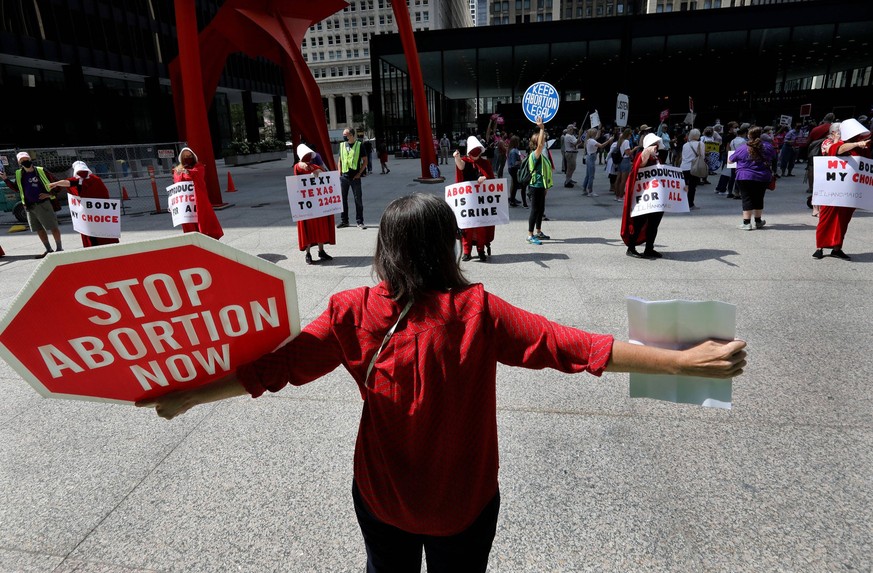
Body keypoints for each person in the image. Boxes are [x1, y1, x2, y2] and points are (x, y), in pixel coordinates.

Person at [138, 192, 747, 573]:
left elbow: (273, 371)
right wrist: (685, 360)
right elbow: (578, 348)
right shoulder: (480, 311)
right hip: (465, 504)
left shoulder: (349, 310)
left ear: (385, 248)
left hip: (381, 498)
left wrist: (187, 395)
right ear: (450, 247)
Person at [813, 118, 870, 260]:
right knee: (826, 218)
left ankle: (837, 248)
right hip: (832, 189)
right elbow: (839, 149)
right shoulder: (834, 145)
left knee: (843, 220)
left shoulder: (860, 148)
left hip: (849, 191)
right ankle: (819, 247)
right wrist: (856, 143)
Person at [0, 151, 63, 258]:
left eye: (26, 159)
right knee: (38, 228)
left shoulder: (41, 170)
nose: (25, 162)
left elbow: (57, 183)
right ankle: (48, 250)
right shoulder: (19, 173)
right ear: (19, 163)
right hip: (29, 206)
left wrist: (49, 194)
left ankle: (59, 248)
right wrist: (5, 179)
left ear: (30, 159)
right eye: (22, 160)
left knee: (53, 226)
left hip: (43, 204)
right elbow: (17, 188)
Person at [48, 160, 120, 247]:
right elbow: (68, 182)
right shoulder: (88, 180)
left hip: (94, 212)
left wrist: (56, 184)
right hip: (92, 213)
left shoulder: (92, 180)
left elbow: (103, 194)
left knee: (95, 231)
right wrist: (56, 183)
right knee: (95, 231)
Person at [621, 133, 666, 259]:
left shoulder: (657, 158)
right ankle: (631, 248)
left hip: (656, 196)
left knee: (654, 223)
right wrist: (647, 152)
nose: (656, 147)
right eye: (654, 145)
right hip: (643, 196)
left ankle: (649, 248)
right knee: (639, 223)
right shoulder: (642, 155)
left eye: (657, 145)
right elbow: (640, 165)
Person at [453, 136, 496, 262]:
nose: (475, 157)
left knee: (481, 227)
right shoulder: (465, 161)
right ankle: (467, 252)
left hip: (482, 202)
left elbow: (491, 179)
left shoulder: (485, 163)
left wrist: (485, 178)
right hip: (468, 200)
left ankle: (481, 250)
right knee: (467, 227)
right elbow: (461, 166)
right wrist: (456, 158)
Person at [294, 144, 336, 265]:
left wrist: (317, 169)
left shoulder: (313, 165)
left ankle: (321, 251)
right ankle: (308, 253)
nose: (308, 158)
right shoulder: (299, 166)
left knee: (320, 226)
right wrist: (315, 169)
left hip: (317, 203)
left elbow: (322, 171)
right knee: (308, 228)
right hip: (307, 205)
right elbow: (302, 168)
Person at [172, 147, 224, 241]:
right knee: (189, 222)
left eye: (189, 155)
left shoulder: (199, 166)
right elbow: (177, 183)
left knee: (203, 219)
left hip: (199, 200)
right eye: (185, 156)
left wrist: (186, 173)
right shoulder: (177, 170)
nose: (188, 157)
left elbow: (197, 175)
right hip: (186, 203)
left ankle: (209, 238)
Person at [730, 126, 776, 231]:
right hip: (762, 176)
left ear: (748, 135)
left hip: (744, 176)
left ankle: (746, 223)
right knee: (759, 197)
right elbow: (773, 157)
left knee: (746, 198)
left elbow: (730, 160)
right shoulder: (767, 146)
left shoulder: (742, 148)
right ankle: (758, 221)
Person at [526, 116, 552, 245]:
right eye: (541, 140)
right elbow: (541, 144)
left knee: (541, 210)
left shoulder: (541, 155)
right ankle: (530, 235)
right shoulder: (534, 154)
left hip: (541, 186)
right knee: (535, 210)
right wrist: (542, 128)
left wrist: (546, 186)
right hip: (535, 187)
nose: (544, 141)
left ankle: (539, 231)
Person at [337, 127, 368, 229]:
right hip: (344, 177)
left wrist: (359, 173)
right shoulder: (342, 145)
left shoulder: (359, 145)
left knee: (358, 199)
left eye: (345, 135)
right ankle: (344, 221)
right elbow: (340, 160)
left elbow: (365, 161)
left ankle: (360, 221)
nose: (343, 137)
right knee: (342, 200)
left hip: (355, 177)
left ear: (351, 135)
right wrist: (339, 173)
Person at [581, 127, 614, 197]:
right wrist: (609, 140)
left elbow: (598, 136)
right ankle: (590, 191)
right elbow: (601, 146)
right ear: (593, 133)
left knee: (588, 174)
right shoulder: (592, 141)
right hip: (591, 157)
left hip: (589, 157)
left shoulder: (589, 140)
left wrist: (599, 128)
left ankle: (584, 188)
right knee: (591, 176)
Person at [680, 129, 704, 210]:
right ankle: (690, 204)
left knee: (684, 186)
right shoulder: (700, 144)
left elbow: (683, 156)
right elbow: (702, 156)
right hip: (694, 167)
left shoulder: (685, 145)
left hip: (684, 167)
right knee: (692, 187)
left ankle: (682, 203)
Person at [613, 128, 634, 201]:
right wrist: (634, 149)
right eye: (631, 134)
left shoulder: (620, 141)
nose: (631, 136)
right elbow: (628, 152)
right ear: (628, 134)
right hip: (625, 160)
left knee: (618, 178)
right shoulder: (626, 141)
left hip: (620, 160)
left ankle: (617, 195)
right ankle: (621, 196)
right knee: (623, 180)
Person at [506, 135, 527, 208]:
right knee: (515, 185)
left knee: (515, 185)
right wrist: (521, 161)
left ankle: (512, 199)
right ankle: (512, 200)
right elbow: (514, 163)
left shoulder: (514, 150)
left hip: (513, 169)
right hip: (514, 169)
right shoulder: (513, 151)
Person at [562, 124, 579, 188]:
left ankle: (569, 179)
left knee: (572, 167)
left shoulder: (572, 136)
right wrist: (580, 135)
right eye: (572, 129)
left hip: (573, 153)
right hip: (570, 153)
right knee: (570, 168)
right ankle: (567, 181)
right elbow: (575, 143)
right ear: (569, 129)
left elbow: (576, 143)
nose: (573, 131)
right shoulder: (568, 136)